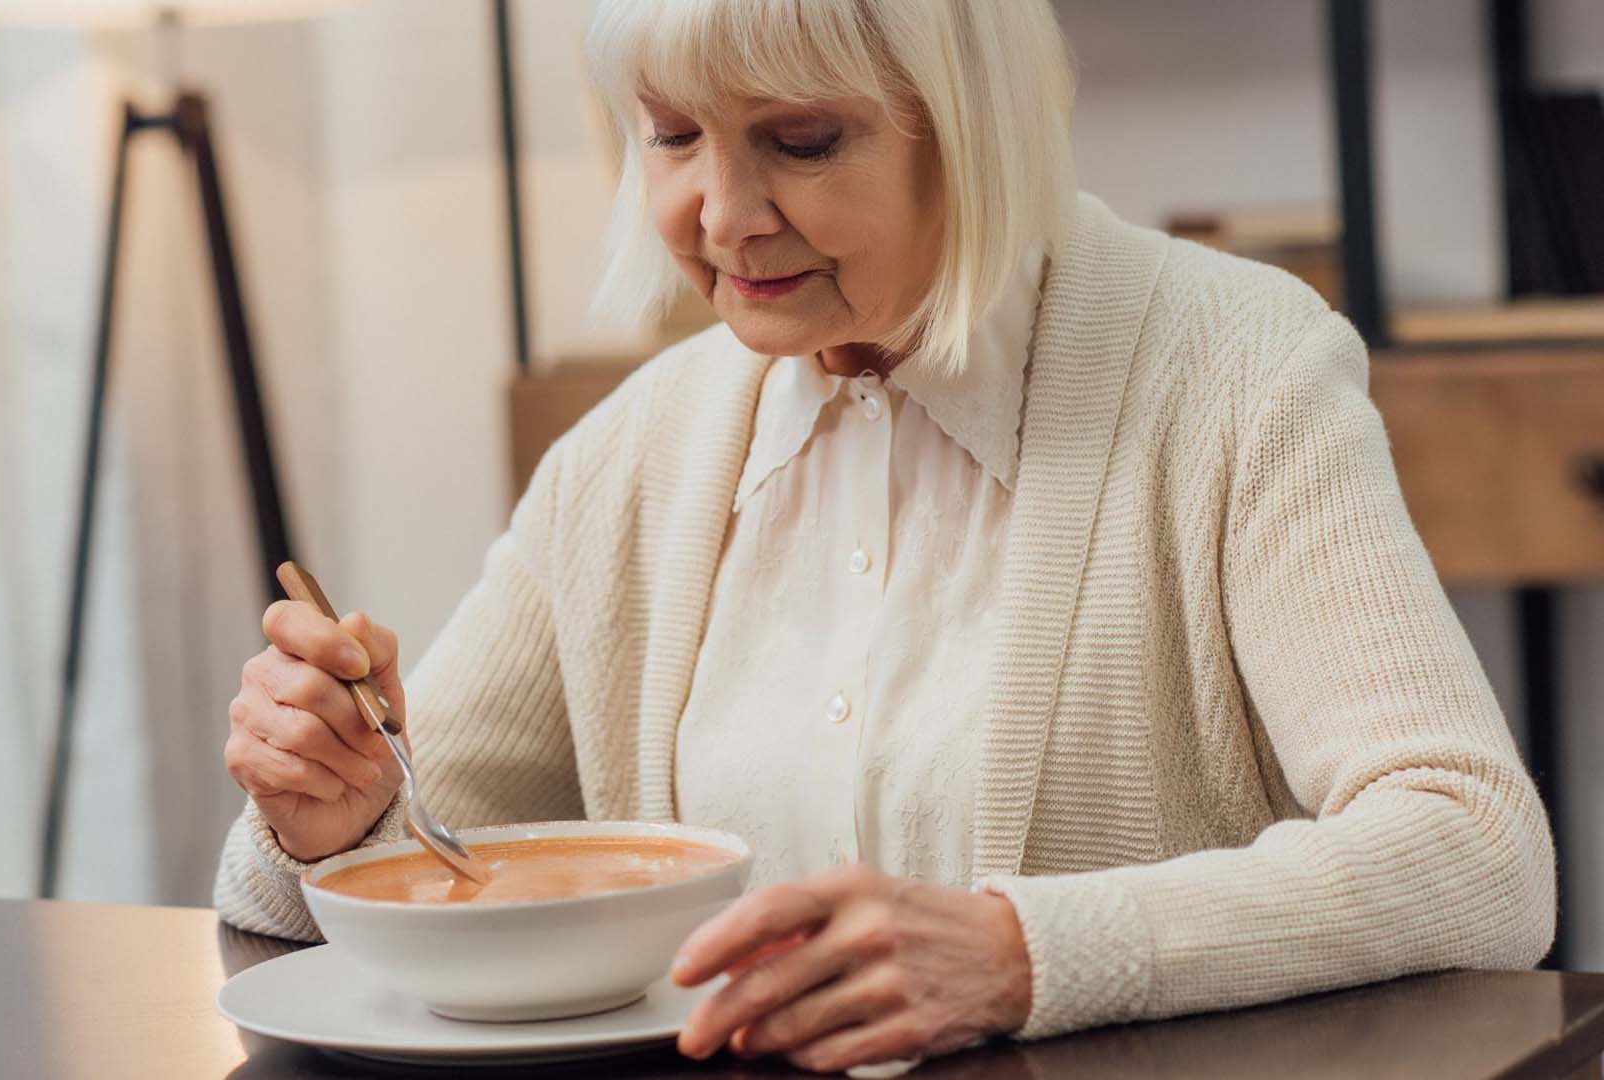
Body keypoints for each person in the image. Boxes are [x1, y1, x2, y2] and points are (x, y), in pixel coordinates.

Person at [213, 0, 1554, 1072]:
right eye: (674, 136)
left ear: (970, 130)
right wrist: (336, 821)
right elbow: (366, 876)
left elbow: (1474, 855)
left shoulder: (1235, 371)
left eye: (799, 141)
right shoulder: (633, 453)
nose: (722, 215)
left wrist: (1026, 953)